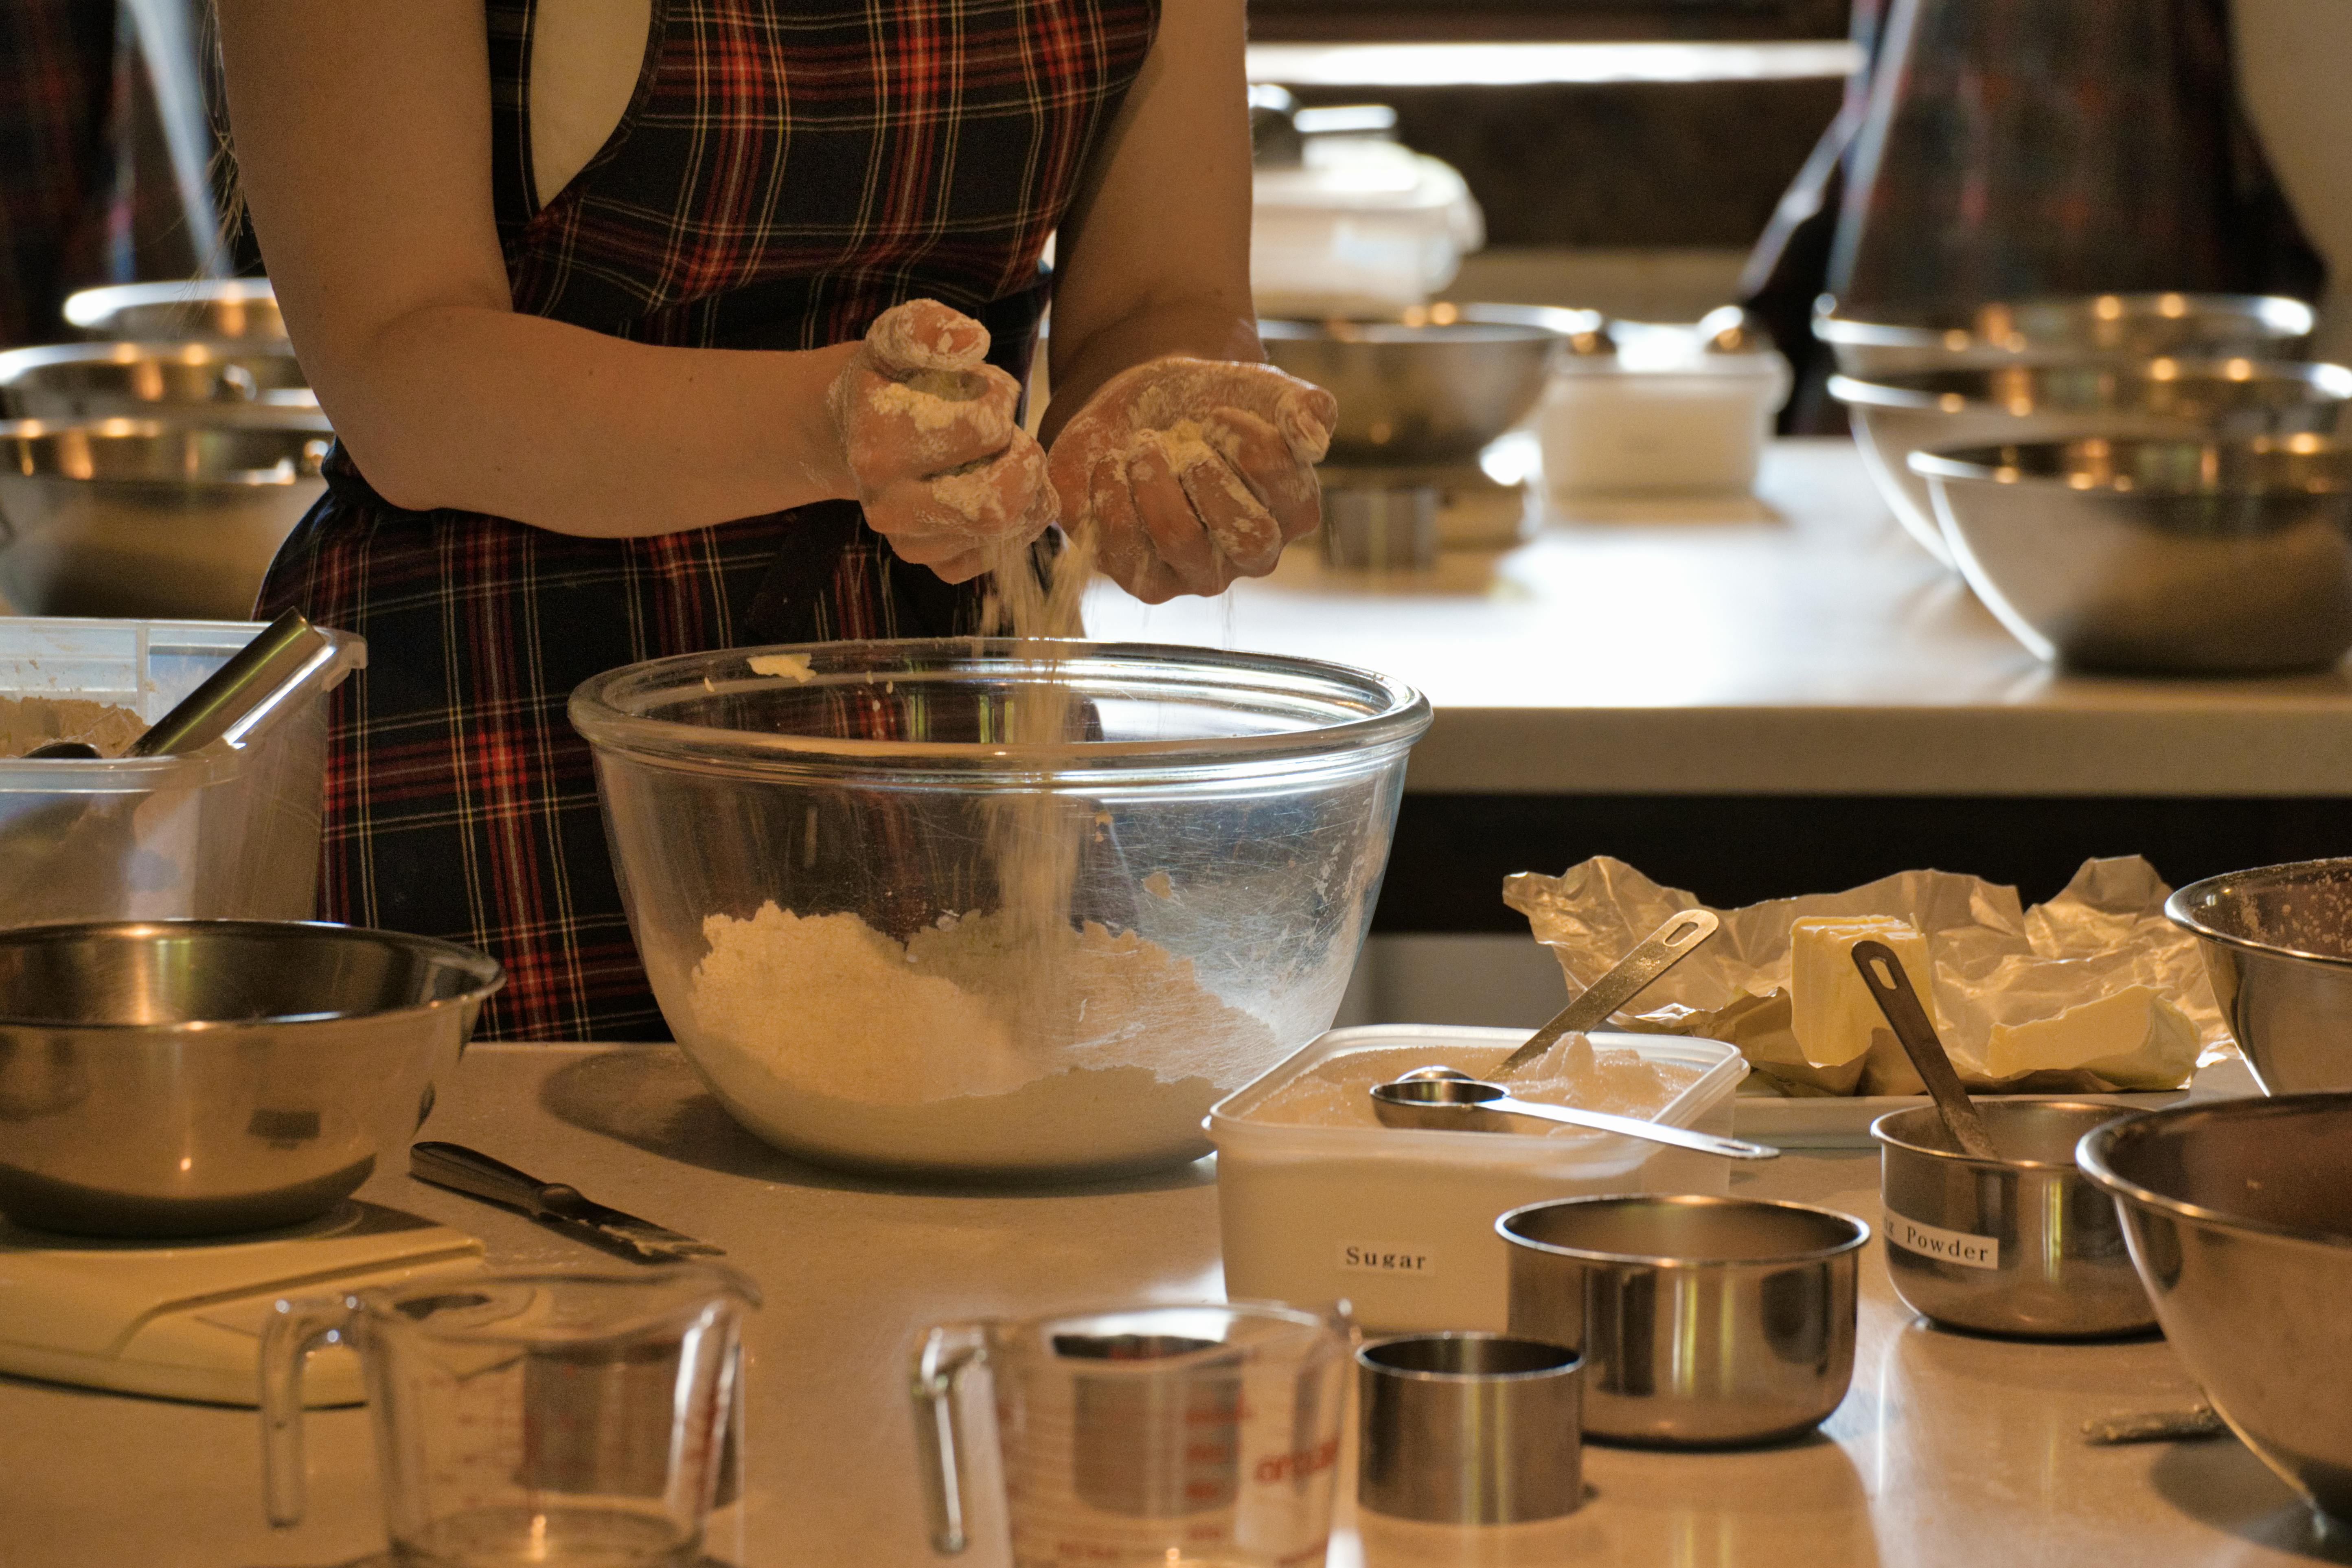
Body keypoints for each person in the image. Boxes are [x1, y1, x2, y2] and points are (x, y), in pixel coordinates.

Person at [213, 0, 1336, 1042]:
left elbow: (1157, 295)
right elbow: (401, 371)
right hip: (507, 722)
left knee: (997, 1243)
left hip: (954, 719)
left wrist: (1173, 421)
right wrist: (830, 428)